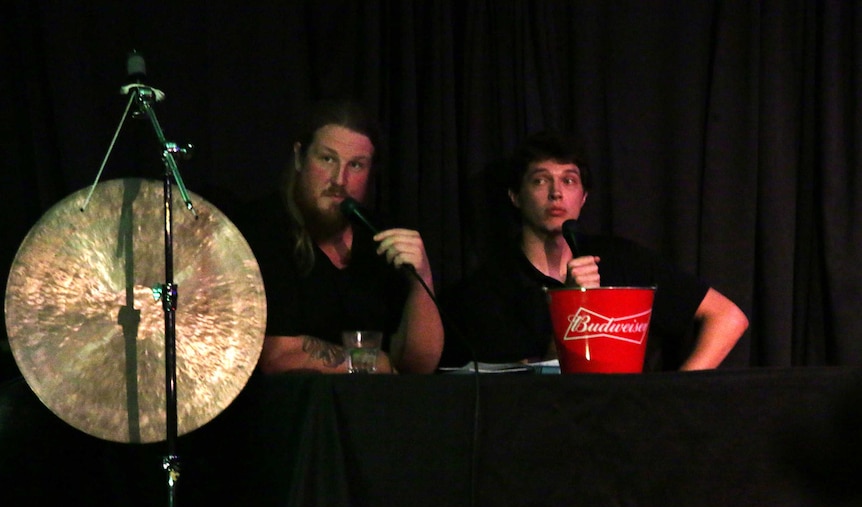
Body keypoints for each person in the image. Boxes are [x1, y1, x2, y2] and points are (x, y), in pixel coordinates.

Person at [441, 131, 748, 370]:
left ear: (584, 197)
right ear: (516, 196)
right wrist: (574, 302)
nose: (556, 193)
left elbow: (728, 317)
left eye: (569, 180)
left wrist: (680, 393)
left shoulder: (618, 258)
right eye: (540, 180)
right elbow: (540, 381)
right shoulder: (494, 286)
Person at [234, 99, 444, 374]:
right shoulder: (261, 226)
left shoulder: (381, 234)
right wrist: (376, 362)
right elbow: (276, 355)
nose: (339, 179)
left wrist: (422, 279)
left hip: (376, 410)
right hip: (292, 410)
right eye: (327, 159)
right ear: (299, 157)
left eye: (356, 165)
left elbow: (419, 365)